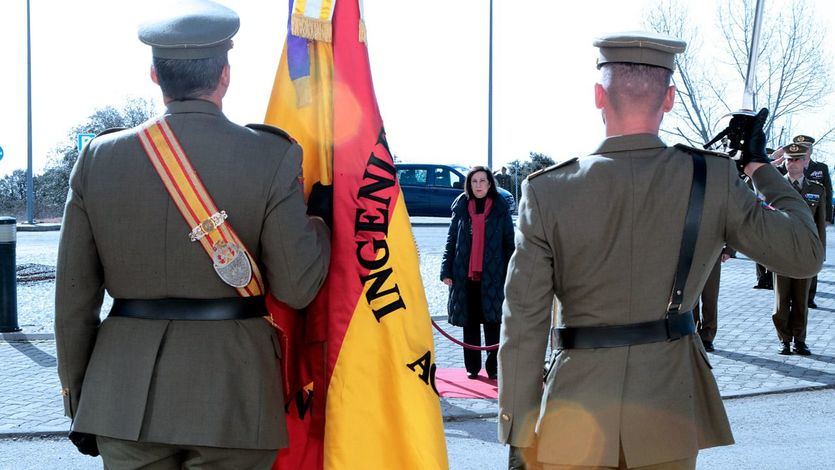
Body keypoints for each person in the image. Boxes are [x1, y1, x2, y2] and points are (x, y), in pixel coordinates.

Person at [498, 31, 823, 470]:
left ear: (598, 95)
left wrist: (519, 432)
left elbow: (523, 324)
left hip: (573, 417)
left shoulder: (546, 191)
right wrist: (758, 165)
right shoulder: (712, 179)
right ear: (669, 98)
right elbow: (804, 253)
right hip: (667, 415)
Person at [54, 1, 331, 468]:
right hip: (235, 392)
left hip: (122, 394)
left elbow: (73, 301)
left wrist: (82, 398)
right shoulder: (271, 156)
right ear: (225, 74)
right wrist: (320, 225)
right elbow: (298, 288)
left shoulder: (99, 159)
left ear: (155, 77)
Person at [441, 166, 515, 380]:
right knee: (470, 323)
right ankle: (472, 367)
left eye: (483, 181)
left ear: (490, 184)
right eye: (474, 181)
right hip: (465, 276)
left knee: (494, 322)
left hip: (493, 275)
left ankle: (493, 368)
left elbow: (509, 244)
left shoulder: (500, 209)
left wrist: (512, 274)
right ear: (469, 185)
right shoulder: (461, 207)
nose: (479, 185)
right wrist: (446, 270)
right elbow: (451, 240)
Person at [772, 143, 826, 356]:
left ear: (805, 161)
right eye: (788, 159)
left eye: (797, 159)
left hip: (805, 253)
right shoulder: (775, 186)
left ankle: (799, 340)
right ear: (783, 161)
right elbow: (749, 185)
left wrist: (819, 254)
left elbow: (820, 226)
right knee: (781, 301)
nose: (792, 163)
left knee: (802, 300)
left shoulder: (816, 189)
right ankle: (784, 340)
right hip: (782, 252)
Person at [693, 246, 734, 352]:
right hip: (689, 250)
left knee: (710, 296)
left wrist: (729, 249)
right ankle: (692, 333)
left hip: (712, 251)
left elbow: (732, 229)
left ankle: (707, 337)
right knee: (690, 298)